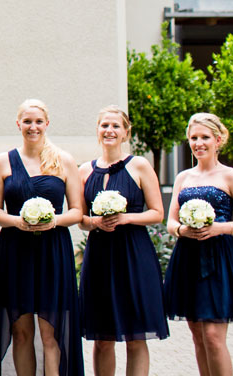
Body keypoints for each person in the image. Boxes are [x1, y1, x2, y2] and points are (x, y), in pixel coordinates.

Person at [0, 99, 83, 376]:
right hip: (16, 251)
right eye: (27, 121)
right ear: (18, 124)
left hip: (53, 251)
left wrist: (54, 221)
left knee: (51, 332)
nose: (33, 126)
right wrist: (18, 222)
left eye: (38, 121)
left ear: (47, 124)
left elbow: (77, 211)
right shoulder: (3, 162)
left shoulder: (63, 160)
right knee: (21, 329)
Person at [164, 112, 233, 376]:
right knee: (197, 335)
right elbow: (170, 223)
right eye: (193, 138)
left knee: (212, 335)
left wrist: (222, 227)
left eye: (204, 137)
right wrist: (182, 229)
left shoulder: (230, 176)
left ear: (218, 140)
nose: (199, 143)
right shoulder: (183, 178)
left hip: (219, 260)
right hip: (188, 257)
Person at [78, 106, 168, 376]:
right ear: (97, 131)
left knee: (135, 334)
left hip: (134, 254)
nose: (109, 130)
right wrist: (95, 222)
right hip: (100, 257)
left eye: (116, 126)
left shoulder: (139, 165)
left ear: (126, 132)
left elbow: (157, 213)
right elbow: (81, 218)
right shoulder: (84, 170)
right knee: (102, 337)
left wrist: (125, 218)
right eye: (104, 125)